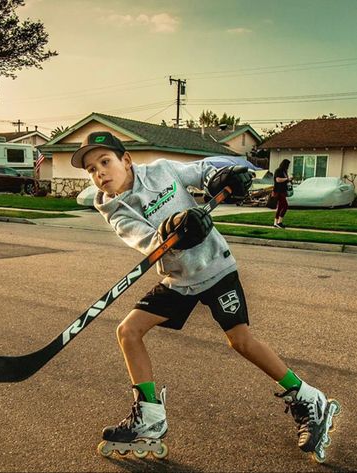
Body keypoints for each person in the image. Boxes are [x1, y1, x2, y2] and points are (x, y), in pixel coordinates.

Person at [71, 131, 338, 459]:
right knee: (129, 331)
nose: (99, 172)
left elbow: (202, 170)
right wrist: (174, 228)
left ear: (126, 160)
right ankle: (150, 416)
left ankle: (308, 398)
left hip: (215, 267)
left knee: (240, 340)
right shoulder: (113, 209)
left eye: (105, 161)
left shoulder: (162, 170)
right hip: (179, 279)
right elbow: (148, 241)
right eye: (91, 169)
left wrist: (221, 176)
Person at [273, 159, 293, 229]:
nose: (288, 166)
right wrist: (287, 179)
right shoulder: (278, 170)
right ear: (285, 164)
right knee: (285, 206)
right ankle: (279, 222)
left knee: (280, 207)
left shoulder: (284, 171)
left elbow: (285, 180)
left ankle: (275, 223)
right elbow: (277, 180)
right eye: (288, 165)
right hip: (278, 191)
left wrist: (289, 180)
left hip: (283, 191)